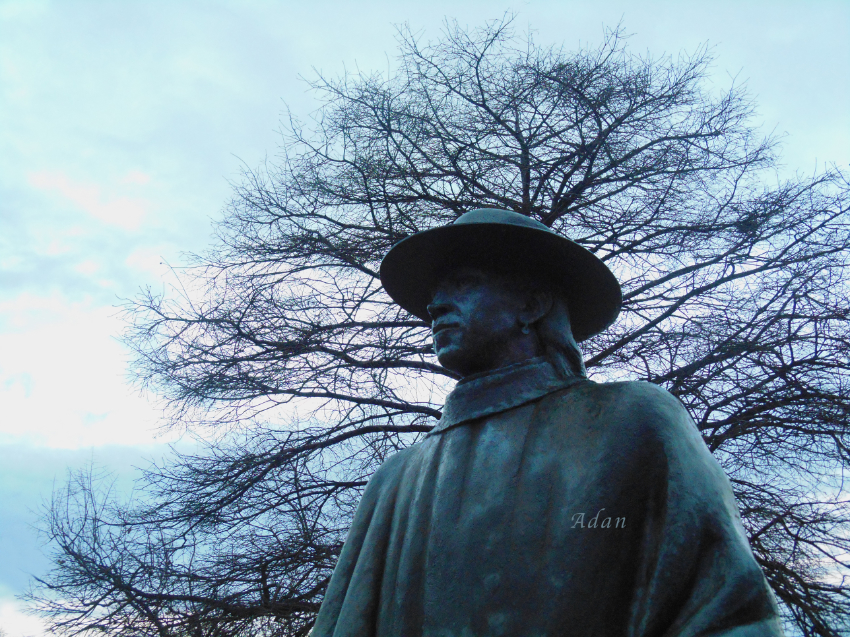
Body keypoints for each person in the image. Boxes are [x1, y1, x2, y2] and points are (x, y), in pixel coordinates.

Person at [312, 209, 784, 636]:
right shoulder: (394, 482)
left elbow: (734, 617)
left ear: (532, 306)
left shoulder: (630, 421)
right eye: (435, 292)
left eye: (463, 283)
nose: (434, 305)